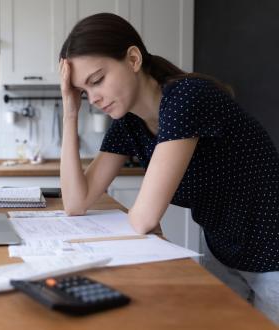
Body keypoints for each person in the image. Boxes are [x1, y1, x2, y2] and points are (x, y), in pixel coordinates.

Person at [58, 12, 279, 324]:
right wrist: (70, 111)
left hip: (272, 250)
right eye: (83, 91)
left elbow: (144, 219)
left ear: (133, 58)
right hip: (223, 248)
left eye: (97, 81)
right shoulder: (128, 124)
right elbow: (75, 203)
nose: (93, 97)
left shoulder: (186, 98)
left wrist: (140, 223)